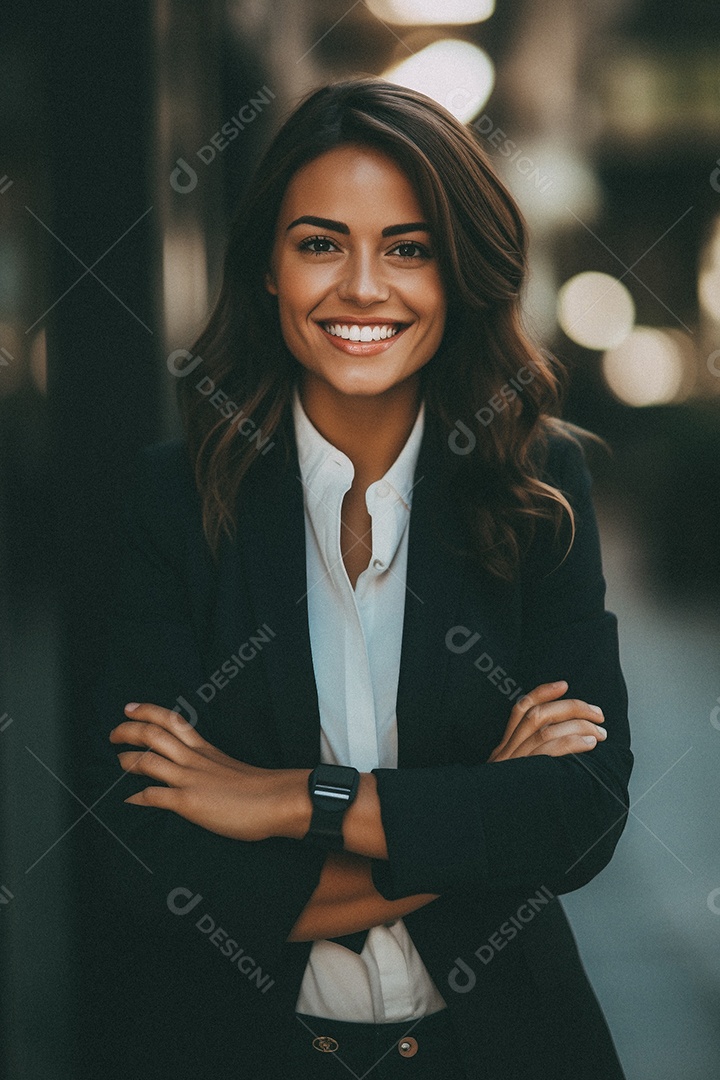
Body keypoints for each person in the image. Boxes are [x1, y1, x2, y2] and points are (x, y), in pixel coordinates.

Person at [93, 79, 632, 1080]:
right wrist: (473, 819)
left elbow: (579, 816)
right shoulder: (177, 497)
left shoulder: (536, 480)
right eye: (320, 243)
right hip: (239, 1053)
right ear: (269, 265)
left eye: (409, 247)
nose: (364, 287)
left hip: (504, 1051)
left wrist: (293, 801)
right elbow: (149, 859)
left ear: (458, 270)